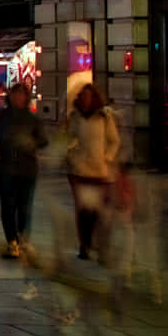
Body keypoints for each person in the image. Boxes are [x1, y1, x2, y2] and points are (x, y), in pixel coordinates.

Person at [0, 81, 49, 258]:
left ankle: (23, 238)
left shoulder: (32, 119)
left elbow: (42, 140)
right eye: (15, 94)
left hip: (27, 168)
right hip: (3, 168)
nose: (19, 98)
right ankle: (12, 241)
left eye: (22, 94)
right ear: (9, 96)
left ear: (26, 97)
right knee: (8, 204)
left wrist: (32, 144)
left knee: (24, 206)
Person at [63, 84, 122, 260]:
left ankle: (96, 243)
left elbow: (114, 140)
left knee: (97, 210)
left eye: (89, 96)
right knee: (83, 210)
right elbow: (68, 139)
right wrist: (71, 154)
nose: (86, 99)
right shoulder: (75, 117)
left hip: (99, 172)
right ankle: (85, 245)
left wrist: (107, 157)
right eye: (83, 96)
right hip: (79, 171)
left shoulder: (104, 116)